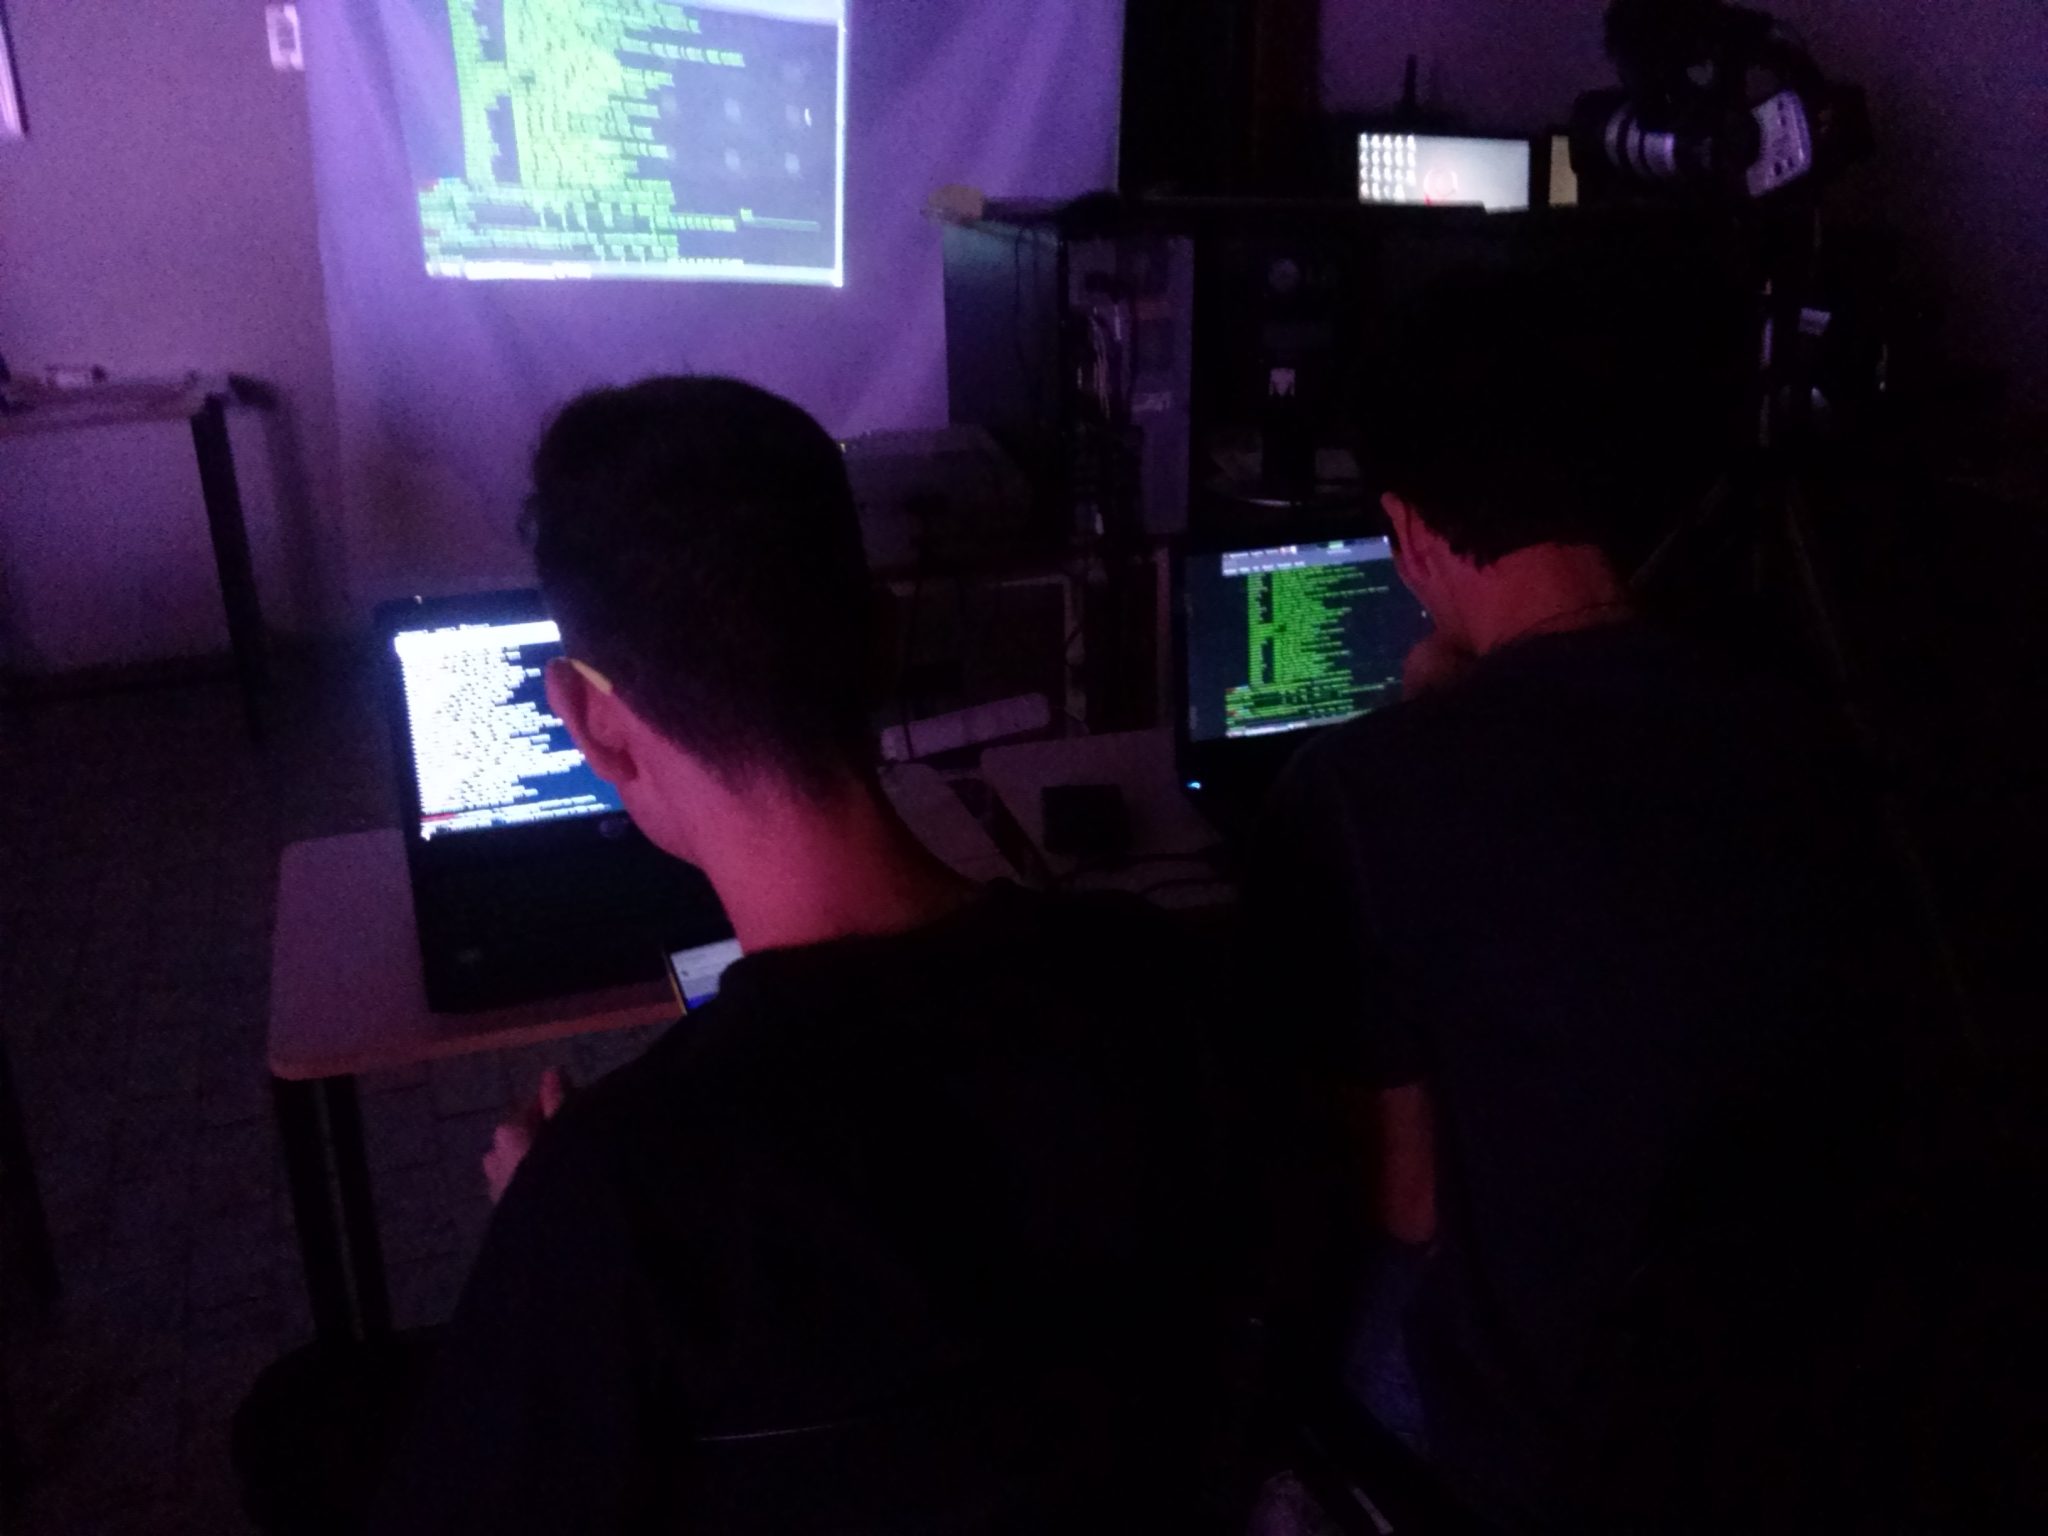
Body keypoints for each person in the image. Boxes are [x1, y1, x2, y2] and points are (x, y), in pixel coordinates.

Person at [369, 379, 1229, 1535]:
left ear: (592, 723)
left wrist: (553, 1237)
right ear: (883, 640)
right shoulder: (1159, 978)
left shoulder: (614, 1191)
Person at [1254, 268, 1934, 1531]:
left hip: (1556, 1442)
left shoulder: (1355, 793)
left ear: (1405, 527)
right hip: (1812, 1364)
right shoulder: (1796, 720)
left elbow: (1406, 1207)